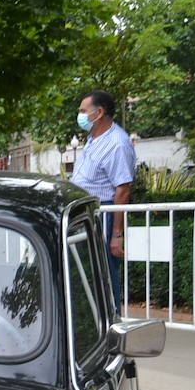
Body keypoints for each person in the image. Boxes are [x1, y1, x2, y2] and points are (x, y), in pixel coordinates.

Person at [70, 89, 135, 316]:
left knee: (105, 271)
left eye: (82, 111)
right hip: (86, 213)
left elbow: (123, 190)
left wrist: (116, 234)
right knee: (90, 271)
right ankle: (92, 320)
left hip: (104, 213)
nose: (79, 115)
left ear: (98, 113)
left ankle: (111, 321)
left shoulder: (117, 143)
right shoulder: (93, 139)